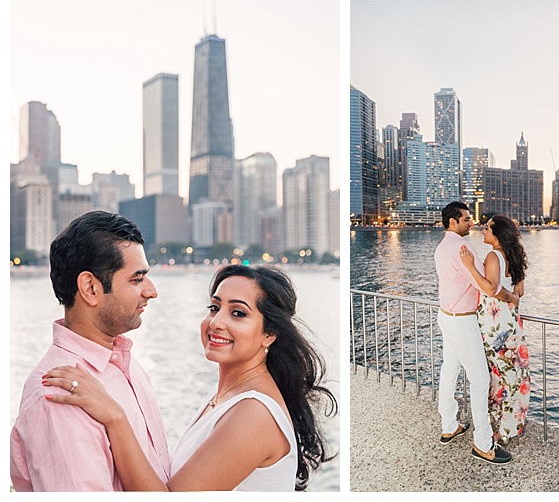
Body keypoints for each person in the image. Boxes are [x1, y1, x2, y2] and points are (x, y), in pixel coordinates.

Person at [42, 264, 338, 491]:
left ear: (269, 334)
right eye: (214, 307)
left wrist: (114, 417)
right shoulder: (226, 396)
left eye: (238, 314)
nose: (216, 322)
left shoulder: (254, 414)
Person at [10, 210, 170, 491]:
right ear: (90, 288)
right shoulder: (59, 394)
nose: (151, 291)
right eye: (136, 279)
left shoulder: (124, 364)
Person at [433, 201, 519, 465]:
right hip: (463, 321)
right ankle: (483, 444)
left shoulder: (441, 247)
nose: (472, 223)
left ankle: (449, 425)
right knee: (480, 379)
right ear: (452, 222)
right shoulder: (462, 247)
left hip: (447, 316)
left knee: (449, 369)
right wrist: (512, 296)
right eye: (466, 219)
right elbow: (488, 287)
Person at [459, 214, 530, 444]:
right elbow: (519, 291)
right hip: (511, 323)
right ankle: (507, 426)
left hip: (495, 326)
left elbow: (491, 289)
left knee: (498, 375)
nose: (483, 230)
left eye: (488, 228)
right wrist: (511, 296)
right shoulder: (513, 256)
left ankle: (501, 429)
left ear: (498, 233)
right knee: (511, 374)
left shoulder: (492, 255)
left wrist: (470, 267)